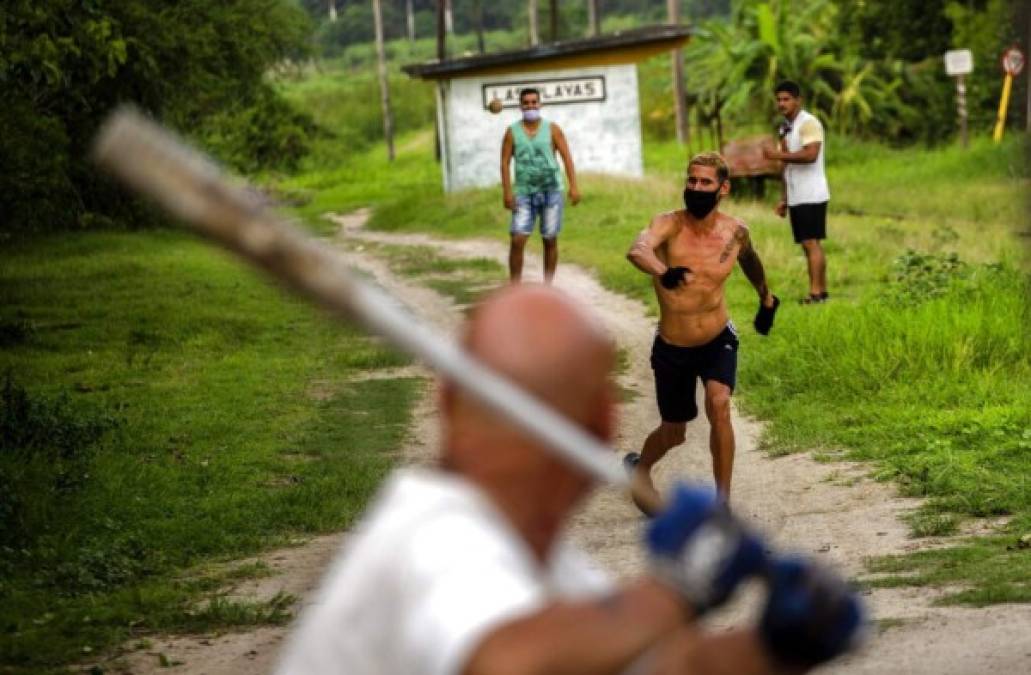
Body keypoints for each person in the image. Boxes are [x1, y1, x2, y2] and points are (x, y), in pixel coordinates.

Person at [276, 285, 860, 675]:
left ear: (446, 400)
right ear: (605, 422)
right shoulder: (437, 540)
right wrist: (677, 589)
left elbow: (653, 665)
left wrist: (773, 648)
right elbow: (505, 664)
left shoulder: (551, 575)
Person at [624, 152, 779, 512]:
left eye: (705, 182)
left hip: (716, 339)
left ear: (723, 188)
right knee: (673, 431)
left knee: (720, 404)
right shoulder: (668, 224)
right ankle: (640, 469)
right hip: (673, 346)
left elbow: (750, 260)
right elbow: (638, 249)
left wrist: (766, 297)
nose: (695, 188)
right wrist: (662, 270)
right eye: (691, 180)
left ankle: (721, 505)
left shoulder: (736, 232)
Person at [500, 88, 581, 284]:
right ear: (520, 106)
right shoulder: (512, 132)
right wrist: (507, 193)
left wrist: (573, 186)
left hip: (551, 191)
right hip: (524, 193)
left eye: (534, 102)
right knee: (518, 239)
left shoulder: (553, 129)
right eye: (526, 103)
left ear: (540, 104)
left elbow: (567, 158)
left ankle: (547, 286)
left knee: (550, 239)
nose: (530, 106)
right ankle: (515, 287)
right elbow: (504, 163)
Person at [762, 80, 831, 304]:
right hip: (797, 194)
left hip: (812, 192)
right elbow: (786, 165)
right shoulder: (785, 127)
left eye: (786, 99)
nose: (782, 103)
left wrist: (778, 155)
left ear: (798, 100)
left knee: (812, 242)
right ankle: (820, 291)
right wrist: (784, 198)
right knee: (806, 244)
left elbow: (810, 154)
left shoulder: (809, 123)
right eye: (779, 99)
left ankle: (816, 294)